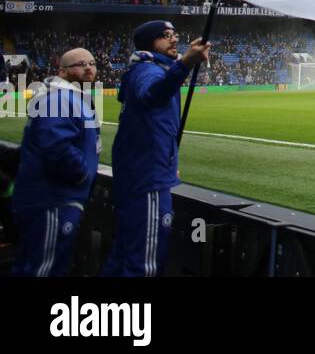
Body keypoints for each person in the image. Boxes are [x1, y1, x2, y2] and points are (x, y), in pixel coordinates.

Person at [102, 20, 210, 277]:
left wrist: (169, 162)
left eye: (174, 35)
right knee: (146, 261)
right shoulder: (148, 71)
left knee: (124, 254)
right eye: (165, 35)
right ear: (150, 42)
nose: (174, 39)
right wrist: (185, 63)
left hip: (144, 172)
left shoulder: (147, 69)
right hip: (147, 180)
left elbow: (155, 126)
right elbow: (152, 95)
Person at [11, 48, 100, 276]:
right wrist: (82, 175)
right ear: (62, 70)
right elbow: (56, 147)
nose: (89, 67)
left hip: (52, 200)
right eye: (81, 64)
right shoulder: (59, 98)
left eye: (91, 62)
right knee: (43, 269)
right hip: (52, 201)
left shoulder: (64, 97)